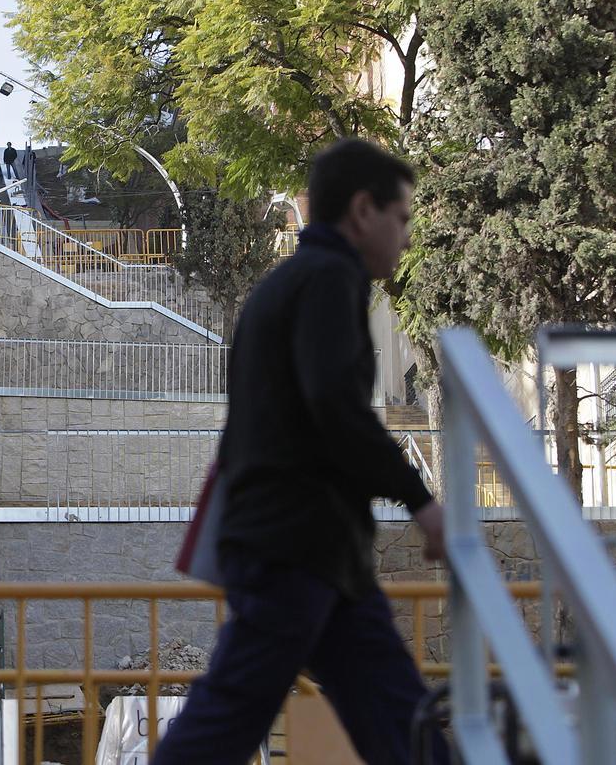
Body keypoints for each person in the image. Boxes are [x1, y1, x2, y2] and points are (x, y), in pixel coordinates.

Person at [154, 139, 449, 765]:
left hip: (315, 549)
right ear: (364, 211)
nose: (405, 237)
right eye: (401, 218)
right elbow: (336, 410)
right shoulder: (327, 280)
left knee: (401, 716)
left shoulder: (291, 284)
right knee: (229, 716)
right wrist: (421, 499)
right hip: (295, 546)